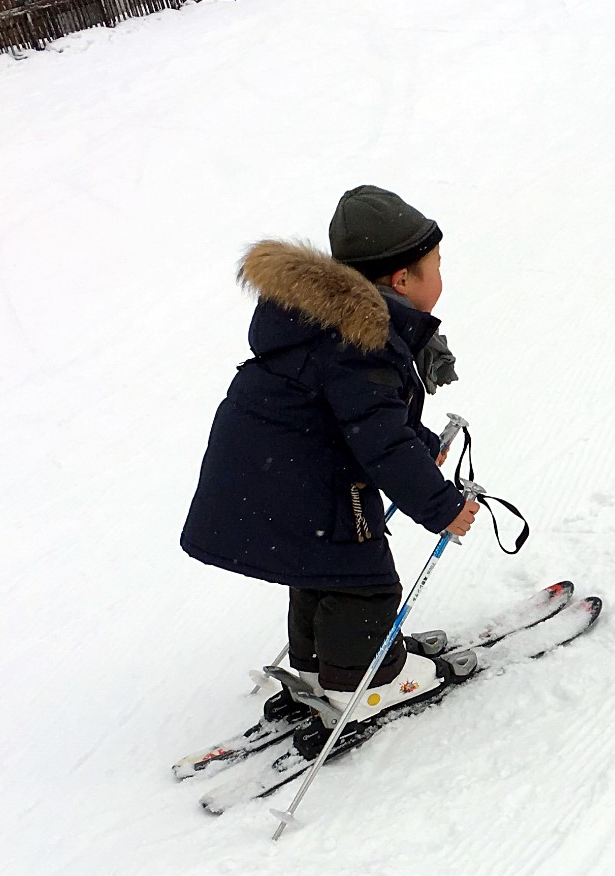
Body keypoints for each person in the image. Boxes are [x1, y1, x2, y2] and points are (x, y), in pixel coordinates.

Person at [181, 185, 479, 742]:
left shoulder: (330, 325)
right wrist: (443, 508)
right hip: (305, 481)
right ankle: (362, 683)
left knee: (318, 569)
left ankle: (319, 668)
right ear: (401, 281)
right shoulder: (363, 341)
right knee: (362, 579)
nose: (442, 276)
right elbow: (380, 441)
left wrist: (421, 442)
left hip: (275, 475)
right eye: (435, 266)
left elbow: (370, 412)